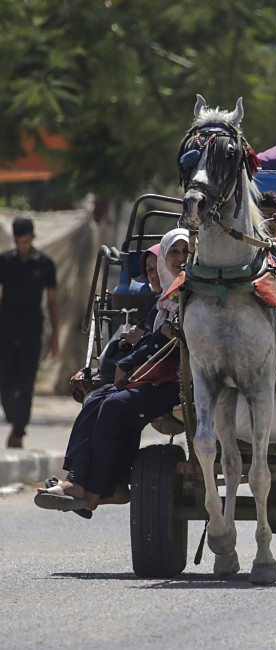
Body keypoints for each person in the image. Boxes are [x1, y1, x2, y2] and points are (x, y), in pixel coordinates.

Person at [34, 230, 189, 517]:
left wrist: (130, 360)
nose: (180, 259)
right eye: (174, 253)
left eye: (185, 252)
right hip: (152, 377)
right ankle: (81, 480)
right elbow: (156, 337)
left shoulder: (188, 293)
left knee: (117, 406)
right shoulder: (163, 301)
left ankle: (91, 494)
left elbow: (171, 341)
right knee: (96, 400)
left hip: (178, 383)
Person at [0, 217, 59, 449]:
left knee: (25, 383)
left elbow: (53, 302)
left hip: (32, 331)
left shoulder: (45, 264)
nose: (22, 245)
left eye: (26, 241)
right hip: (6, 330)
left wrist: (55, 336)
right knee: (5, 382)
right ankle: (15, 419)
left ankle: (18, 431)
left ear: (33, 238)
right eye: (18, 241)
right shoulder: (5, 261)